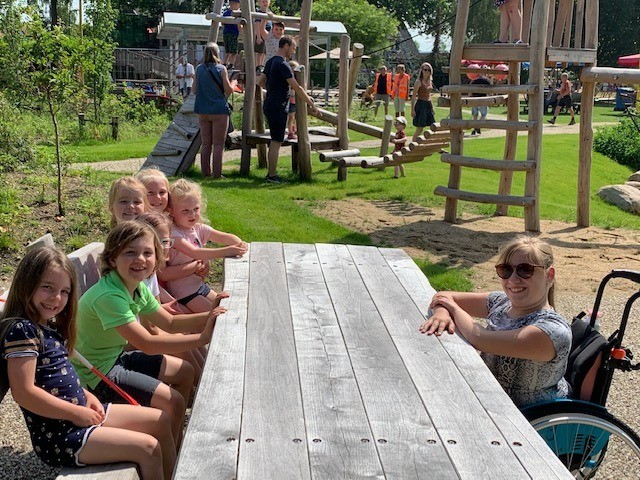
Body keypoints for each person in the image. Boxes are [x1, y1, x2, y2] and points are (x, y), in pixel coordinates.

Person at [2, 247, 177, 479]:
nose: (57, 298)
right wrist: (75, 413)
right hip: (61, 434)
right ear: (27, 283)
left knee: (161, 420)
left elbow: (59, 377)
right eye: (47, 287)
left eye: (64, 291)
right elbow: (24, 393)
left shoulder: (47, 327)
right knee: (148, 448)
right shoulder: (22, 330)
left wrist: (88, 396)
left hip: (80, 412)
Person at [72, 221, 223, 446]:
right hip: (97, 373)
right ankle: (171, 449)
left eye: (147, 253)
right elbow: (148, 344)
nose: (140, 259)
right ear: (113, 259)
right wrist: (202, 338)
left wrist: (214, 313)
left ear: (156, 259)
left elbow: (170, 322)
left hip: (115, 357)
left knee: (185, 371)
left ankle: (174, 441)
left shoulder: (136, 286)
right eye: (130, 253)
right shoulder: (109, 296)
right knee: (173, 402)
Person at [419, 236, 571, 408]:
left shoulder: (550, 332)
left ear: (549, 275)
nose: (513, 279)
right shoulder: (501, 301)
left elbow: (479, 338)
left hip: (527, 418)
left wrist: (453, 309)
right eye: (505, 270)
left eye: (525, 270)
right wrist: (442, 314)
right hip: (489, 400)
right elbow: (444, 296)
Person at [136, 212, 207, 386]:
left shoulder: (149, 273)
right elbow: (150, 328)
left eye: (165, 241)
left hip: (147, 331)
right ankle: (202, 388)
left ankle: (206, 379)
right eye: (154, 242)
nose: (162, 247)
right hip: (136, 338)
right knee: (183, 342)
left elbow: (157, 307)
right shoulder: (138, 275)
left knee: (186, 335)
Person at [164, 179, 248, 313]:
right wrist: (227, 251)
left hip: (200, 286)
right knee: (217, 317)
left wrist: (239, 243)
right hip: (184, 293)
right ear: (172, 211)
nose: (192, 214)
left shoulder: (197, 228)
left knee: (231, 306)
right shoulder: (174, 234)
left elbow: (225, 237)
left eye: (195, 209)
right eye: (185, 211)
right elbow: (195, 253)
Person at [258, 35, 319, 184]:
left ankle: (270, 174)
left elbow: (260, 81)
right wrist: (311, 103)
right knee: (276, 141)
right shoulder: (283, 64)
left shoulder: (270, 61)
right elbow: (297, 87)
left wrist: (272, 89)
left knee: (275, 139)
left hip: (269, 103)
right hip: (278, 106)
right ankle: (271, 176)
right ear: (285, 46)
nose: (293, 51)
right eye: (293, 48)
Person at [193, 42, 233, 179]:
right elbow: (228, 90)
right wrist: (233, 84)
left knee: (206, 144)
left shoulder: (198, 69)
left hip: (203, 111)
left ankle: (205, 173)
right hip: (219, 110)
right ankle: (217, 174)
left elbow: (194, 90)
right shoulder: (221, 69)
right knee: (218, 145)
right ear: (217, 54)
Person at [411, 62, 436, 141]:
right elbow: (414, 96)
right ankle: (412, 146)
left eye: (429, 70)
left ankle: (435, 146)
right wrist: (412, 110)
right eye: (425, 70)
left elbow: (429, 95)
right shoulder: (418, 82)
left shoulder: (430, 82)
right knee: (420, 128)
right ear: (422, 70)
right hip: (421, 105)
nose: (427, 72)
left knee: (433, 126)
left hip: (428, 104)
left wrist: (432, 107)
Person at [470, 68, 491, 135]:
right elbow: (490, 91)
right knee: (483, 115)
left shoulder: (474, 81)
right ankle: (478, 126)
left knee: (475, 115)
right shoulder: (487, 81)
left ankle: (474, 128)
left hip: (474, 100)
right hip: (483, 100)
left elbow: (470, 92)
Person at [222, 0, 241, 69]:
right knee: (234, 51)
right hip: (233, 33)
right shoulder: (237, 14)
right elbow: (239, 26)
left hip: (226, 33)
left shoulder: (225, 13)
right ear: (235, 4)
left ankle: (224, 63)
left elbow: (222, 23)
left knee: (227, 51)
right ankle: (231, 64)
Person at [253, 0, 272, 69]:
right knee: (260, 51)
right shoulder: (259, 13)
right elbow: (257, 25)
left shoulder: (269, 12)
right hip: (260, 34)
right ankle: (258, 65)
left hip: (267, 33)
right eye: (263, 2)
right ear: (259, 3)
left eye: (266, 2)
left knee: (264, 51)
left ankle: (262, 65)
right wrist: (258, 36)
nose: (265, 3)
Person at [287, 60, 299, 140]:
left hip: (297, 101)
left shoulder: (299, 79)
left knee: (296, 117)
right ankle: (290, 132)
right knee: (291, 117)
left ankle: (295, 130)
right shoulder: (288, 79)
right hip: (291, 101)